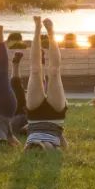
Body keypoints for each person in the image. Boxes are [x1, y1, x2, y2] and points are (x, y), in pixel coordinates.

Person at [24, 17, 68, 151]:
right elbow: (63, 145)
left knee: (36, 70)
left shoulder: (29, 148)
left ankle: (38, 29)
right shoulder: (54, 147)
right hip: (56, 115)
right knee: (54, 72)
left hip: (34, 116)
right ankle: (50, 33)